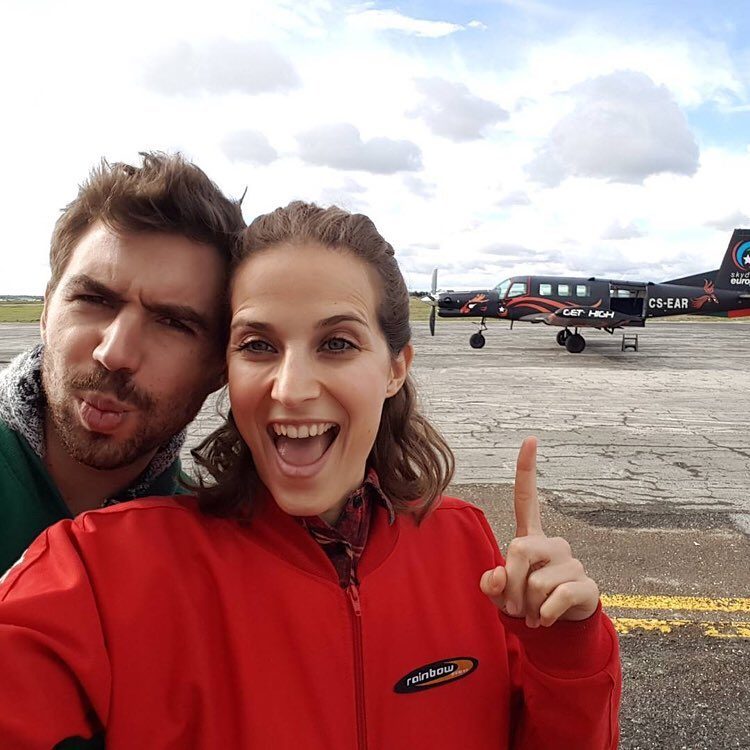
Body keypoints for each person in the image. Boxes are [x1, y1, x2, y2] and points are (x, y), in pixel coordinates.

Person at [0, 202, 621, 749]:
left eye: (337, 344)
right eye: (258, 345)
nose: (292, 388)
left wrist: (568, 649)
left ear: (395, 368)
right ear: (226, 370)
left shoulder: (470, 550)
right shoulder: (98, 567)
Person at [0, 152, 245, 573]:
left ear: (220, 368)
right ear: (46, 311)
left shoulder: (208, 555)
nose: (115, 354)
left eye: (173, 322)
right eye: (94, 299)